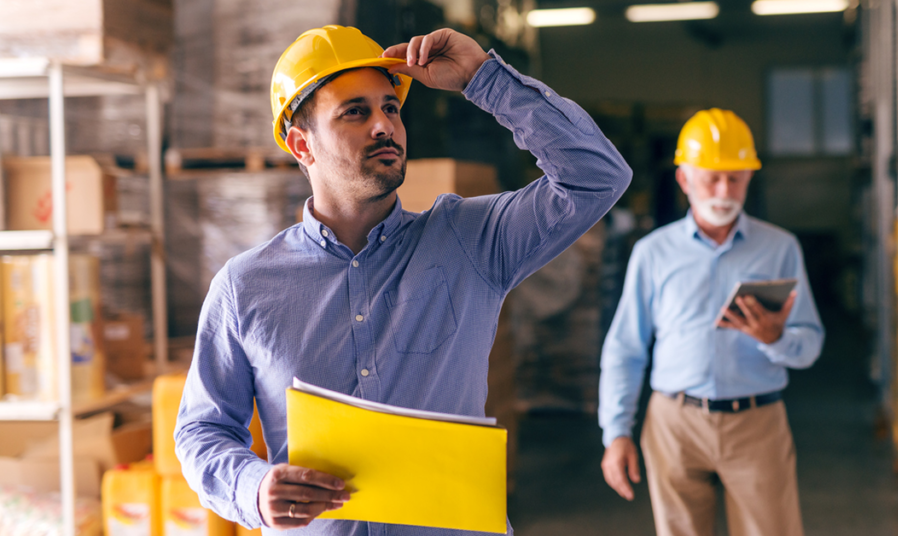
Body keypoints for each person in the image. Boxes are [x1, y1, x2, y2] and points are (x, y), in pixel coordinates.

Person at [173, 25, 630, 536]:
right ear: (303, 145)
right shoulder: (245, 287)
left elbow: (596, 176)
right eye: (356, 112)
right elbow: (202, 429)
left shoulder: (471, 242)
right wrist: (251, 488)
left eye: (391, 108)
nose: (383, 126)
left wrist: (484, 78)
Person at [597, 109, 823, 536]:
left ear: (749, 178)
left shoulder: (780, 248)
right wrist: (616, 432)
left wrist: (776, 339)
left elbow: (809, 343)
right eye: (711, 178)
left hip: (757, 423)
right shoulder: (653, 253)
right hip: (673, 425)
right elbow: (625, 348)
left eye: (735, 178)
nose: (724, 190)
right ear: (684, 179)